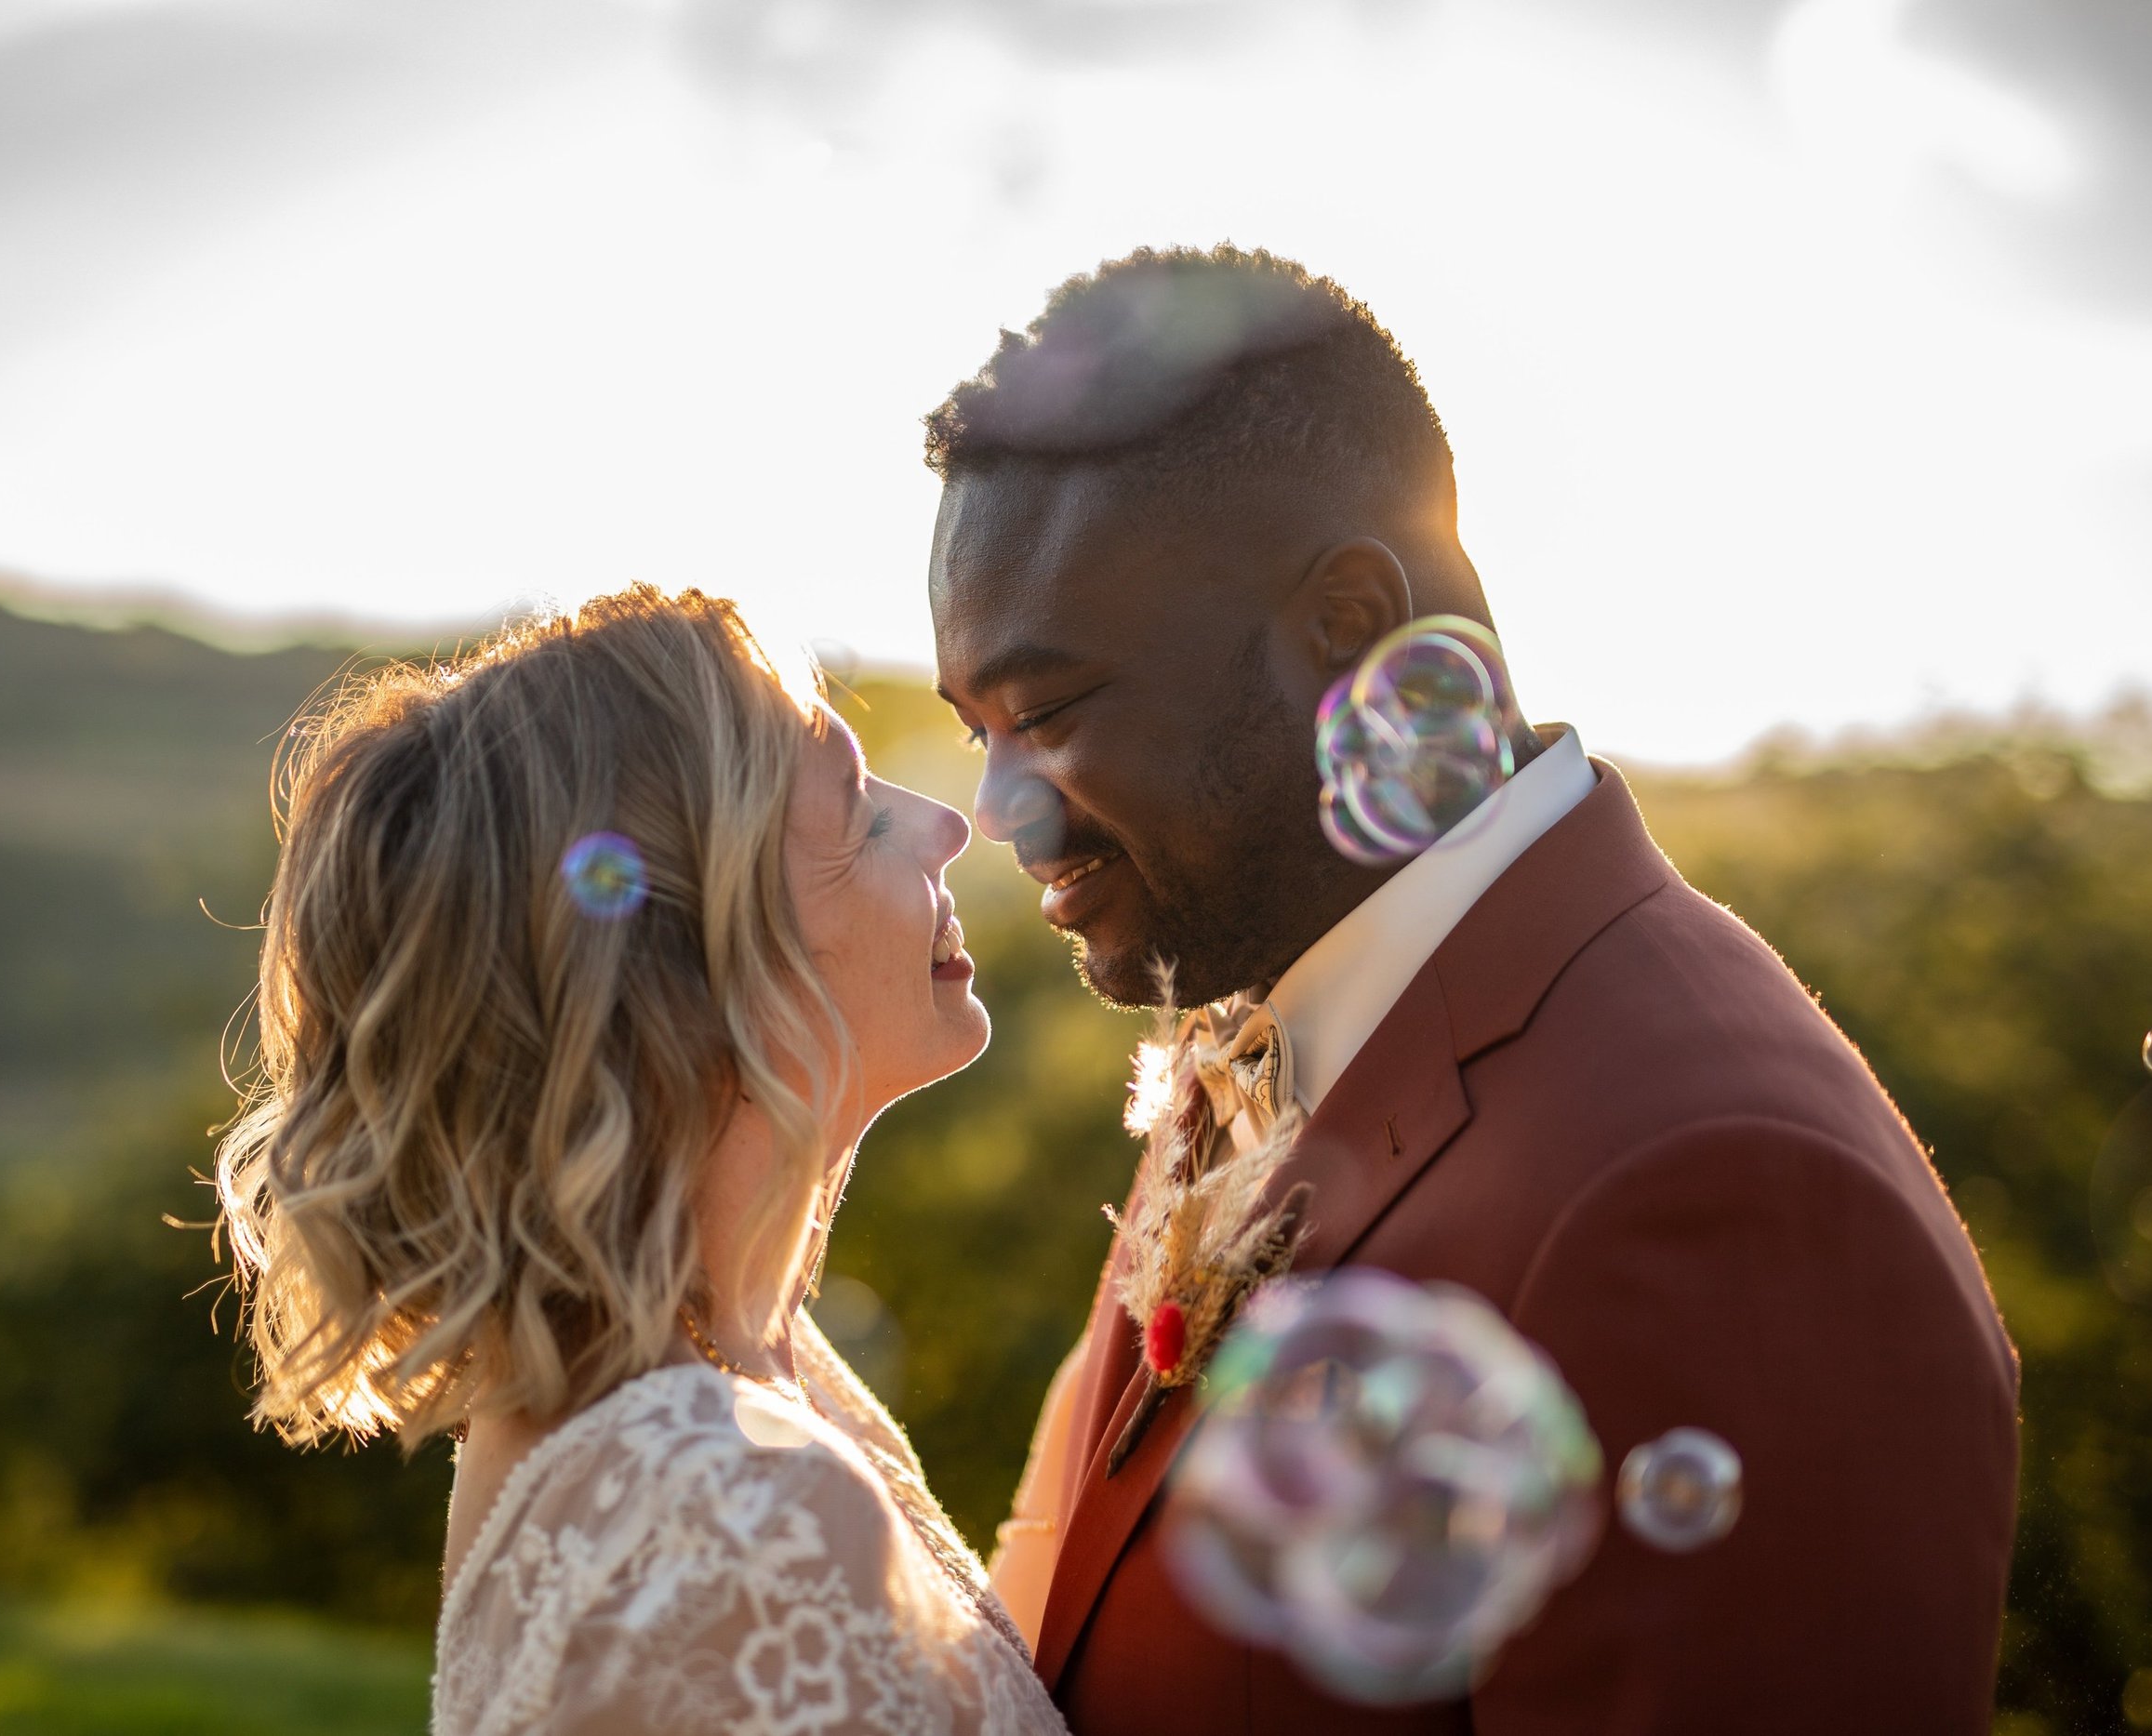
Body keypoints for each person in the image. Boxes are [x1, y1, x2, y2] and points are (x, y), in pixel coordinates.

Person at [926, 245, 2022, 1732]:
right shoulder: (1286, 1001)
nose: (1000, 808)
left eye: (1045, 714)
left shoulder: (1713, 1197)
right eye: (974, 728)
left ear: (1347, 625)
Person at [214, 589, 1069, 1736]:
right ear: (700, 980)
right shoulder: (726, 1506)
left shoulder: (746, 1368)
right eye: (860, 815)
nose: (950, 828)